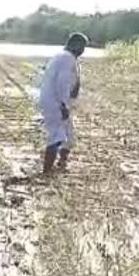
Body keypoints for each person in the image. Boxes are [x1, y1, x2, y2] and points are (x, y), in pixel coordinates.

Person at [38, 32, 88, 175]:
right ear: (76, 46)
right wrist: (63, 105)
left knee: (69, 135)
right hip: (56, 102)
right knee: (57, 136)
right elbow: (62, 84)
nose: (83, 51)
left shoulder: (63, 57)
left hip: (53, 100)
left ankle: (62, 163)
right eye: (83, 47)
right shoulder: (67, 59)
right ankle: (46, 171)